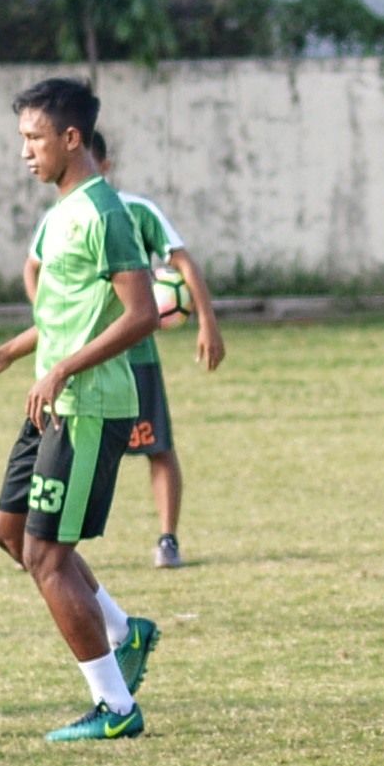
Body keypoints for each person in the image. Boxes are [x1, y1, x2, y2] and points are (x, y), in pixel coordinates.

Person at [0, 79, 162, 741]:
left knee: (46, 555)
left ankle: (116, 710)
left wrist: (66, 367)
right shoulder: (61, 212)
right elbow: (64, 315)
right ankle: (127, 630)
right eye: (23, 139)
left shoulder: (105, 214)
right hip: (51, 398)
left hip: (90, 405)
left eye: (34, 138)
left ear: (72, 138)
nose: (26, 152)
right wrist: (9, 354)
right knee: (10, 533)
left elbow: (142, 313)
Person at [92, 135, 224, 570]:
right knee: (69, 450)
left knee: (157, 446)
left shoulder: (136, 210)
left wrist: (207, 321)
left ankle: (168, 539)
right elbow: (33, 268)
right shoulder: (60, 218)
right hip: (81, 356)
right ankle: (41, 540)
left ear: (104, 165)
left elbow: (183, 262)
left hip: (136, 358)